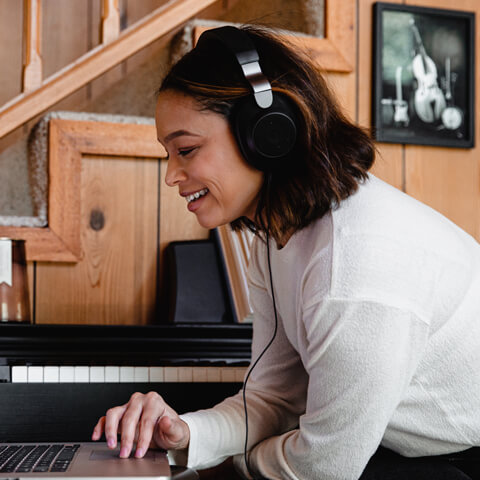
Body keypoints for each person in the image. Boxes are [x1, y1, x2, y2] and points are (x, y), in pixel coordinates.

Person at [92, 25, 480, 479]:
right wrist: (185, 436)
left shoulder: (355, 264)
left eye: (187, 150)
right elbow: (274, 399)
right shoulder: (278, 238)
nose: (172, 176)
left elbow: (325, 467)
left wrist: (225, 467)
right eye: (168, 154)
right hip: (387, 453)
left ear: (267, 133)